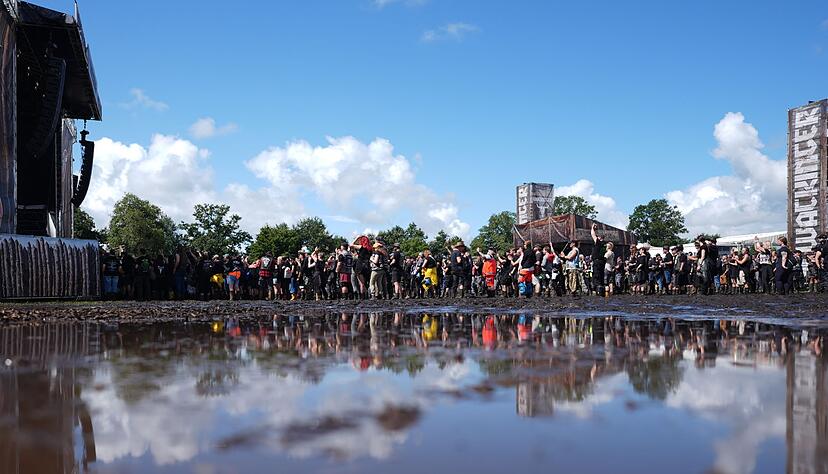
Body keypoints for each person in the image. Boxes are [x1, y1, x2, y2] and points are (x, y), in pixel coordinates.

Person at [590, 224, 607, 296]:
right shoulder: (604, 245)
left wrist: (592, 228)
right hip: (602, 262)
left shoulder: (599, 242)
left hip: (597, 262)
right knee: (601, 277)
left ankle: (598, 294)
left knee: (596, 278)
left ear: (599, 237)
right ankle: (602, 293)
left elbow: (592, 234)